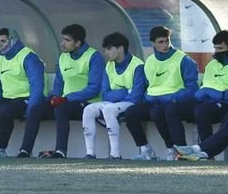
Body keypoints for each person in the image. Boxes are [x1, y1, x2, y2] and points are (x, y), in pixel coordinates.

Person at [18, 23, 104, 159]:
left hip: (87, 104)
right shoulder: (63, 57)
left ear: (78, 43)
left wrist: (66, 98)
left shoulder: (94, 57)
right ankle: (25, 151)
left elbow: (94, 88)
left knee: (60, 108)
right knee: (36, 109)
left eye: (67, 40)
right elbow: (58, 86)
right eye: (63, 39)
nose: (63, 43)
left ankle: (61, 151)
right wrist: (52, 98)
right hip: (65, 102)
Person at [123, 25, 198, 161]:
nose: (165, 45)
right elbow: (147, 87)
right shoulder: (149, 61)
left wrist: (173, 98)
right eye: (161, 42)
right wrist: (146, 97)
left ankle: (179, 150)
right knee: (130, 113)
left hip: (177, 102)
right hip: (155, 101)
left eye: (167, 41)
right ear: (153, 43)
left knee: (161, 111)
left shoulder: (183, 59)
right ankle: (146, 151)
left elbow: (192, 88)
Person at [0, 28, 45, 158]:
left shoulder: (28, 57)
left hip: (25, 99)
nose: (0, 44)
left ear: (13, 40)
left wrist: (31, 108)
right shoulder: (0, 59)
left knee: (6, 110)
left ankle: (2, 148)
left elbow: (37, 86)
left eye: (3, 41)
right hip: (6, 99)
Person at [81, 32, 147, 159]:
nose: (106, 52)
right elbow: (105, 94)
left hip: (131, 103)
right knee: (88, 109)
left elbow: (136, 96)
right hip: (115, 101)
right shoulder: (109, 66)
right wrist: (125, 91)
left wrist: (116, 96)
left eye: (109, 49)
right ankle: (90, 153)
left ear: (121, 48)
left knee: (109, 109)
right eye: (105, 49)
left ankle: (115, 154)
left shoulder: (137, 65)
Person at [188, 30, 228, 142]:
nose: (216, 52)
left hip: (224, 103)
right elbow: (204, 85)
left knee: (201, 110)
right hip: (207, 101)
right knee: (171, 109)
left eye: (220, 48)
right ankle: (179, 150)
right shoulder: (211, 64)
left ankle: (206, 151)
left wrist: (218, 94)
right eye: (215, 48)